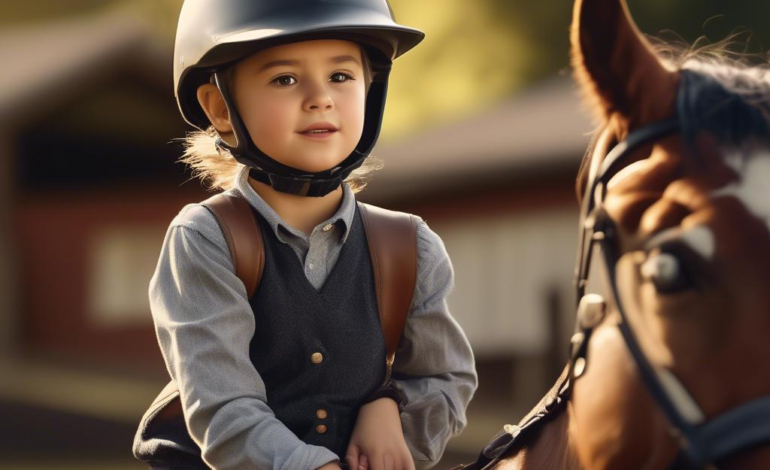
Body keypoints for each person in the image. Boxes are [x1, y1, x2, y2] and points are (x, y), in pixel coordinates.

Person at [139, 1, 477, 469]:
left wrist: (391, 412)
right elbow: (224, 409)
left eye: (341, 76)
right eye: (285, 79)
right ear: (220, 108)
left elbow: (445, 378)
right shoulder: (206, 239)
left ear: (370, 88)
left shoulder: (410, 247)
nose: (321, 98)